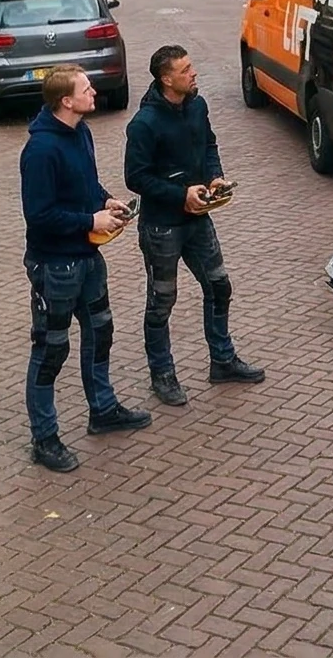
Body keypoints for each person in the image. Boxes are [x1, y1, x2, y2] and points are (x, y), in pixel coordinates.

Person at [19, 63, 149, 472]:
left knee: (101, 331)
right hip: (55, 265)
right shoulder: (40, 151)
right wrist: (89, 221)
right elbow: (39, 215)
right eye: (86, 89)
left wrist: (105, 200)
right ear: (66, 101)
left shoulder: (81, 132)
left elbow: (85, 186)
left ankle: (103, 409)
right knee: (51, 349)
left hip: (88, 260)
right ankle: (45, 438)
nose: (94, 93)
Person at [124, 45, 264, 406]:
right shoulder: (144, 124)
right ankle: (162, 374)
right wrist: (179, 194)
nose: (194, 74)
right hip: (162, 228)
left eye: (192, 67)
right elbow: (136, 177)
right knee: (162, 301)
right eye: (185, 70)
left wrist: (214, 177)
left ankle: (222, 360)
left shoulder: (197, 105)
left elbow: (209, 145)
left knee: (219, 286)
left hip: (199, 219)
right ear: (166, 79)